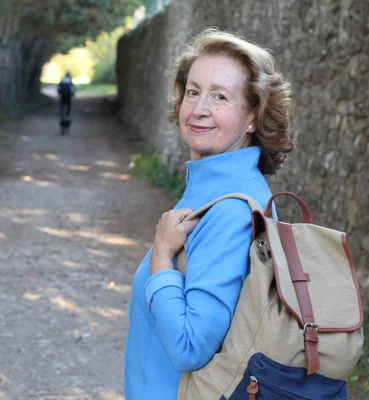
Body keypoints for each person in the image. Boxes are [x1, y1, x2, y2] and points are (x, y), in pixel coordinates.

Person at [124, 28, 294, 400]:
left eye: (220, 96)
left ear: (253, 116)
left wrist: (163, 258)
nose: (200, 108)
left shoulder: (231, 210)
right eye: (193, 92)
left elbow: (191, 347)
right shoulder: (220, 188)